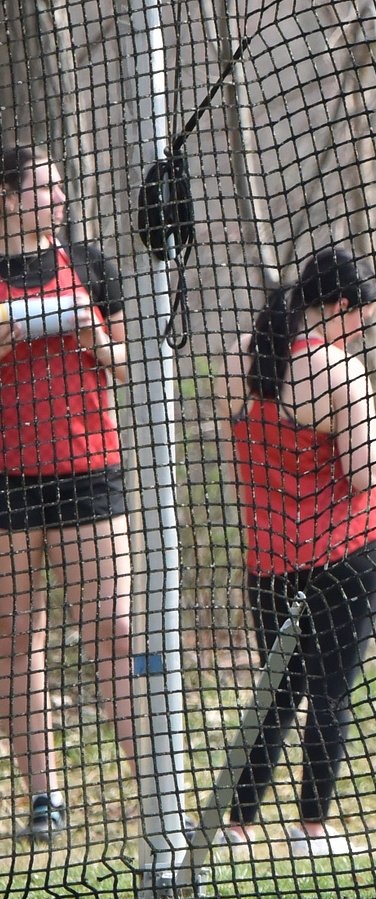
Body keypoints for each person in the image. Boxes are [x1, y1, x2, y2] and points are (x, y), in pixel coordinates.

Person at [220, 247, 376, 858]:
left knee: (276, 691)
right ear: (340, 305)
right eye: (361, 312)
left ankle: (238, 824)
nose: (364, 324)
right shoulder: (342, 372)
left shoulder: (246, 357)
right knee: (329, 691)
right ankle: (312, 827)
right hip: (343, 551)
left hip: (268, 558)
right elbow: (367, 475)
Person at [0, 144, 141, 843]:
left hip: (90, 472)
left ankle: (156, 786)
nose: (58, 195)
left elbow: (127, 361)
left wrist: (94, 336)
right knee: (19, 638)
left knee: (114, 630)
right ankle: (44, 800)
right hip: (9, 483)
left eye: (60, 186)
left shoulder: (89, 264)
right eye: (44, 186)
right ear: (10, 197)